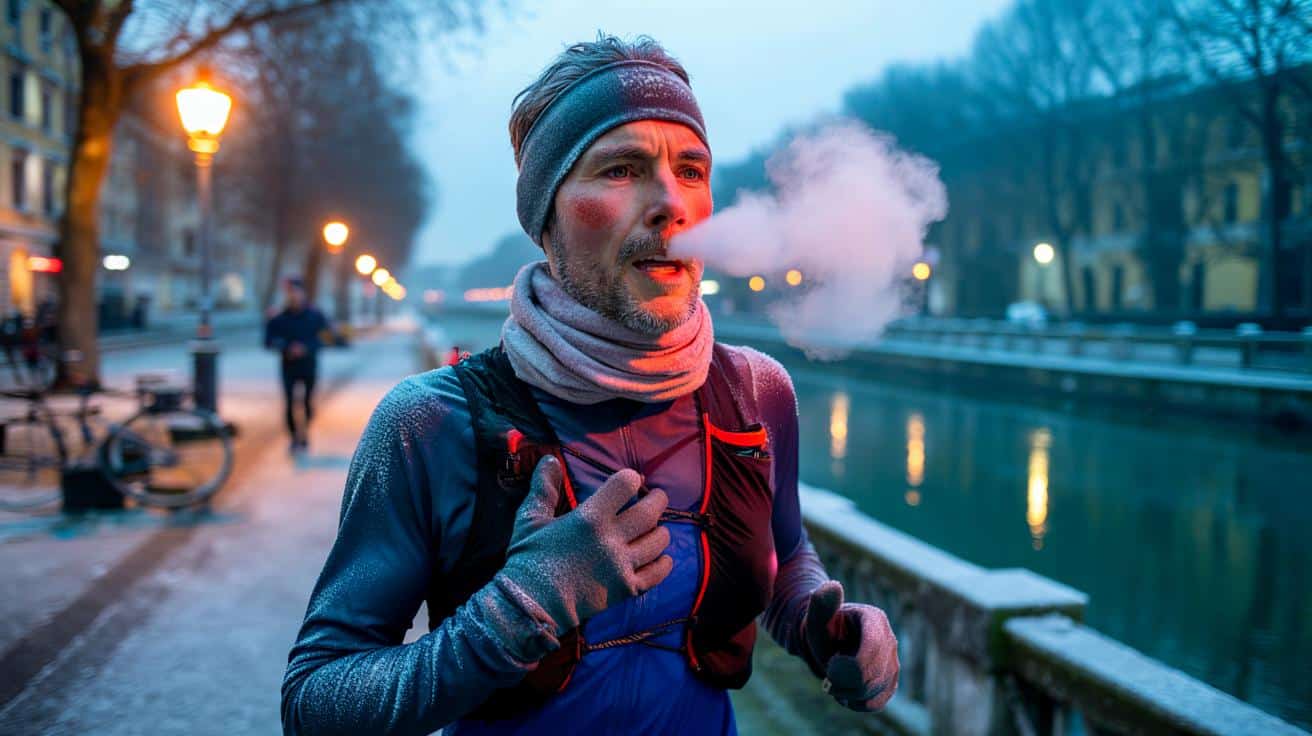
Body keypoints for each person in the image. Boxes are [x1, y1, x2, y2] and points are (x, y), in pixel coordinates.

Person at [282, 35, 898, 735]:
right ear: (546, 218)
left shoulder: (759, 393)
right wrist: (520, 607)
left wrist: (825, 624)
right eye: (622, 169)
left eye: (691, 170)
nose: (671, 203)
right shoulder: (429, 421)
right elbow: (313, 703)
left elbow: (787, 557)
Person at [264, 277, 329, 453]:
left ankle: (304, 432)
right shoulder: (279, 317)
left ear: (303, 293)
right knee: (289, 403)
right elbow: (268, 341)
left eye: (296, 291)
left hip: (309, 365)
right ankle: (294, 437)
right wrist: (286, 347)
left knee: (307, 403)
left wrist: (306, 348)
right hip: (288, 366)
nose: (293, 296)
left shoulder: (315, 315)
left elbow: (326, 337)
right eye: (289, 292)